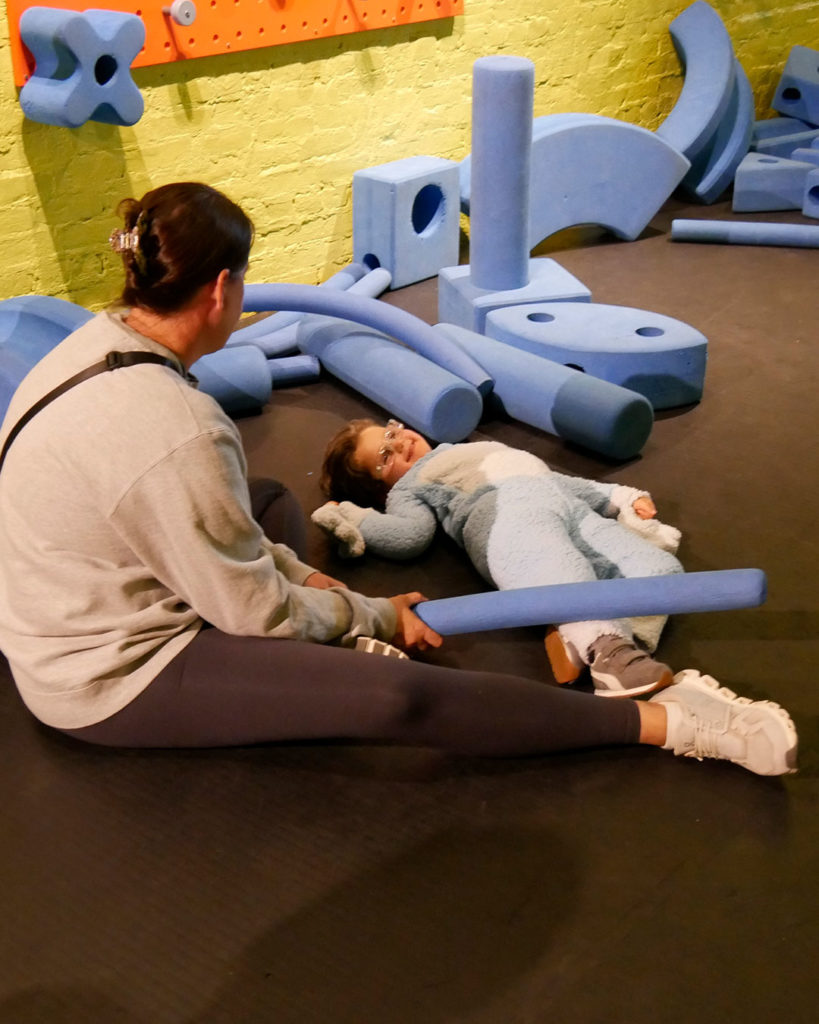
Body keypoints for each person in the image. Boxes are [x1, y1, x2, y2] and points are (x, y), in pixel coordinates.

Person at [0, 182, 797, 777]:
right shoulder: (174, 430)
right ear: (221, 291)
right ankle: (670, 721)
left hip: (94, 587)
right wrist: (373, 617)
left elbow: (206, 534)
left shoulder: (89, 345)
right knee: (395, 699)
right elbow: (253, 614)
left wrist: (333, 602)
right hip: (109, 669)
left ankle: (334, 631)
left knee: (271, 500)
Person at [315, 418, 684, 698]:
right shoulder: (407, 488)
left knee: (660, 569)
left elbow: (557, 480)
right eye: (385, 456)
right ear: (383, 490)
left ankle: (587, 635)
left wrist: (618, 496)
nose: (400, 444)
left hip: (565, 506)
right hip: (505, 519)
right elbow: (410, 536)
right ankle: (608, 654)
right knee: (554, 564)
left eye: (392, 432)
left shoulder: (464, 449)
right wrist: (354, 515)